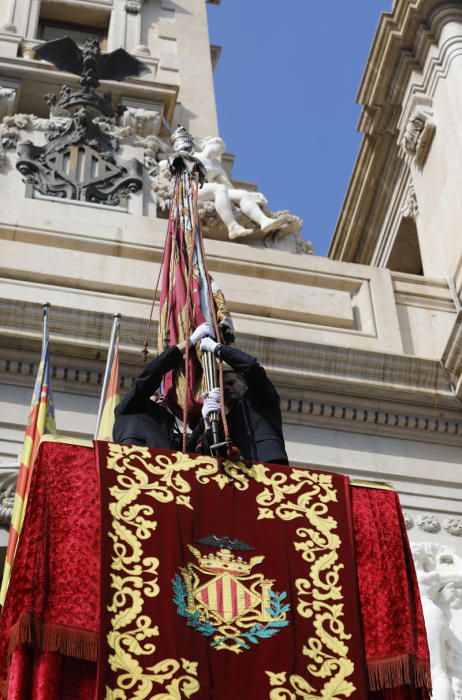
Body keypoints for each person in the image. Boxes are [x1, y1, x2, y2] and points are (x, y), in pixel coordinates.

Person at [113, 322, 213, 448]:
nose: (163, 397)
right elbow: (153, 372)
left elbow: (189, 450)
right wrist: (189, 342)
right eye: (155, 394)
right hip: (135, 462)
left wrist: (207, 419)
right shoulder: (128, 408)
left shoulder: (168, 430)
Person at [200, 337, 288, 464]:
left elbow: (252, 367)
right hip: (239, 473)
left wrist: (219, 349)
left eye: (231, 383)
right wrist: (208, 424)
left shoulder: (260, 396)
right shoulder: (224, 421)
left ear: (245, 384)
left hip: (268, 461)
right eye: (222, 388)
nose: (227, 388)